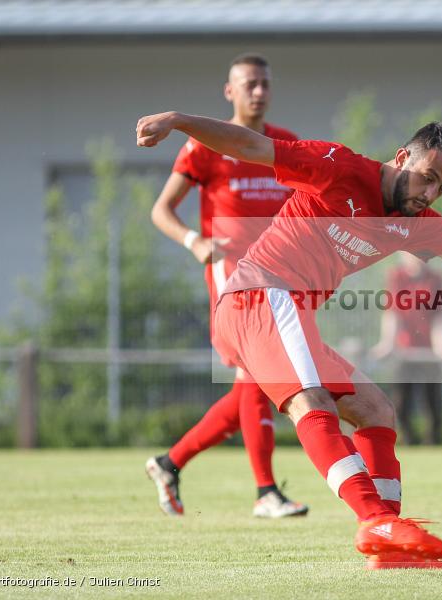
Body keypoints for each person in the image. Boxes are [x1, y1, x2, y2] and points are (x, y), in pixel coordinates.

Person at [136, 109, 442, 569]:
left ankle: (389, 546)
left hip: (286, 310)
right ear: (403, 157)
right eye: (428, 177)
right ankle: (376, 522)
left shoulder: (414, 224)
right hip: (259, 295)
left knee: (376, 410)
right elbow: (249, 145)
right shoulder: (337, 165)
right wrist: (180, 121)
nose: (431, 193)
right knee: (311, 402)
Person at [144, 53, 307, 519]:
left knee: (249, 391)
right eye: (249, 83)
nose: (259, 91)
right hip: (232, 278)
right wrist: (194, 241)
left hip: (278, 281)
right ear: (229, 91)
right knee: (256, 377)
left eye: (265, 83)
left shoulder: (284, 143)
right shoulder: (205, 145)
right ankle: (265, 493)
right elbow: (161, 210)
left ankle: (169, 463)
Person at [371, 253, 442, 445]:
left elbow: (440, 316)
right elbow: (393, 312)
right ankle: (410, 442)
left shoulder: (436, 279)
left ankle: (432, 445)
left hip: (429, 353)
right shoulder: (396, 276)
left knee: (433, 404)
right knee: (400, 404)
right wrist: (387, 343)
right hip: (404, 352)